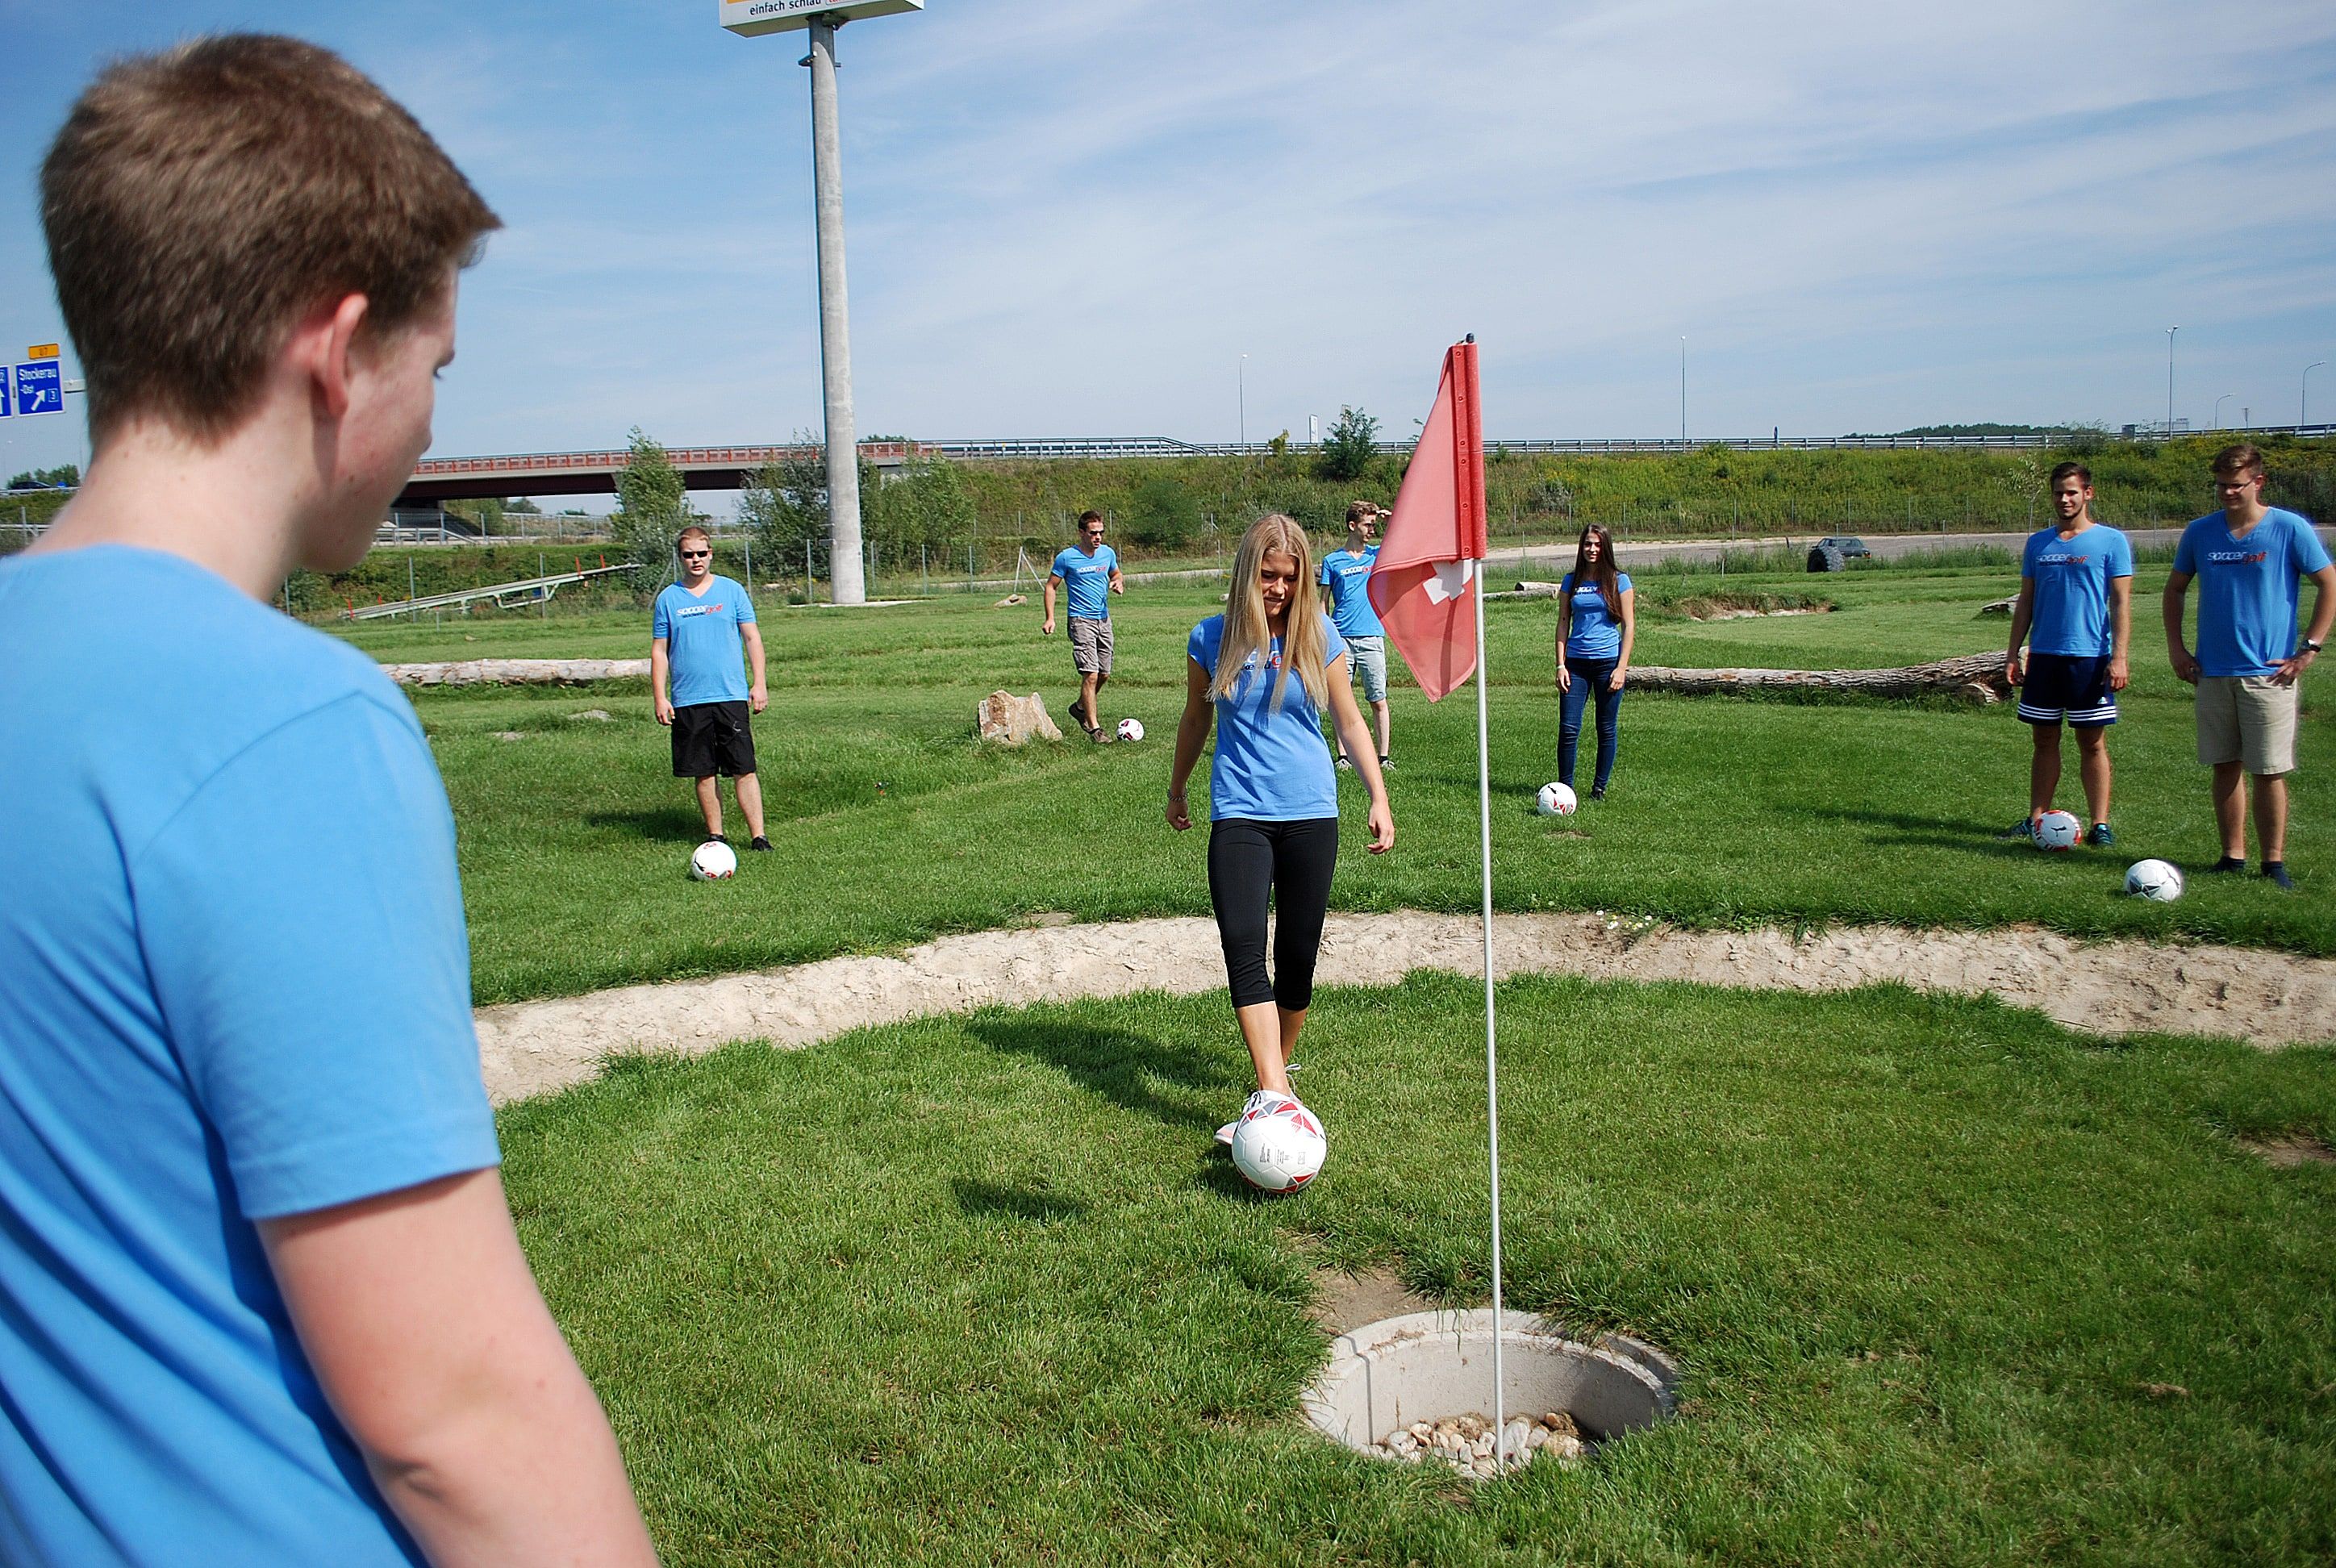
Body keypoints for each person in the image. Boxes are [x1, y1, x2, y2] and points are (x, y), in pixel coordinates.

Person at [0, 35, 656, 1566]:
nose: (431, 422)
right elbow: (455, 1416)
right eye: (434, 369)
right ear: (336, 345)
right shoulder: (290, 721)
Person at [1166, 514, 1394, 1145]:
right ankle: (1274, 1095)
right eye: (1267, 576)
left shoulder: (1319, 634)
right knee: (1243, 945)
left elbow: (1349, 722)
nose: (1278, 589)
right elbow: (1195, 720)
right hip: (1238, 810)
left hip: (1312, 812)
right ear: (1246, 574)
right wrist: (1178, 786)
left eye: (1289, 578)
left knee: (1295, 959)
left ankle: (1276, 1079)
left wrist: (1378, 795)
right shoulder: (1210, 638)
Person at [2163, 443, 2334, 890]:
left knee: (2269, 770)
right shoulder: (2200, 533)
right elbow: (2176, 589)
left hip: (2269, 674)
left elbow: (2328, 585)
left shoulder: (2288, 528)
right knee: (2224, 765)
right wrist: (2178, 649)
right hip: (2213, 671)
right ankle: (2231, 857)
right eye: (2220, 485)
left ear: (2258, 482)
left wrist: (2309, 648)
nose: (2226, 494)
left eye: (2235, 485)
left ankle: (2273, 863)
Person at [2004, 462, 2134, 845]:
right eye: (2059, 492)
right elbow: (2026, 600)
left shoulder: (2110, 542)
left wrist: (2120, 656)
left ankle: (2100, 825)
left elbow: (2122, 602)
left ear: (2088, 494)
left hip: (2089, 657)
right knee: (2043, 741)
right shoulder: (2038, 543)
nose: (2065, 499)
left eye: (2072, 492)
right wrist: (2013, 653)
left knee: (2091, 742)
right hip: (2044, 656)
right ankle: (2037, 819)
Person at [653, 522, 771, 849]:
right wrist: (660, 697)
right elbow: (659, 651)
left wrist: (758, 683)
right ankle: (715, 836)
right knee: (703, 772)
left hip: (730, 695)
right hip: (688, 699)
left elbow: (752, 637)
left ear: (711, 554)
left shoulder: (732, 591)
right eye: (688, 555)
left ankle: (758, 836)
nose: (696, 560)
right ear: (680, 557)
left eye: (701, 553)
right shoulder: (668, 599)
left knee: (743, 768)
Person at [1554, 524, 1635, 801]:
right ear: (1581, 546)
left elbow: (1630, 625)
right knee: (1568, 728)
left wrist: (1621, 667)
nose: (1592, 549)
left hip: (1608, 664)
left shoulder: (1618, 580)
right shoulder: (1571, 580)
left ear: (1606, 547)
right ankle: (1565, 789)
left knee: (1606, 727)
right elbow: (1563, 621)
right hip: (1575, 664)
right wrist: (1560, 664)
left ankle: (1599, 788)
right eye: (1588, 544)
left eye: (1598, 545)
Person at [1318, 498, 1395, 769]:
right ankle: (1343, 757)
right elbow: (1323, 602)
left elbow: (1401, 541)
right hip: (1341, 640)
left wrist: (1390, 519)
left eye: (1374, 525)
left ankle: (1383, 758)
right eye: (1368, 524)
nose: (1372, 529)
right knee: (1341, 700)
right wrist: (1325, 633)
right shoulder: (1332, 561)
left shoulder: (1376, 555)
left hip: (1372, 637)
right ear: (1353, 526)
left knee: (1378, 699)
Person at [1041, 509, 1124, 740]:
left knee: (1104, 674)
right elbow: (1051, 586)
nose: (1098, 537)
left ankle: (1079, 708)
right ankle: (1095, 728)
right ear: (1081, 533)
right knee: (1091, 674)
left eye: (1101, 532)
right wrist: (1050, 618)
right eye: (1093, 533)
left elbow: (1116, 574)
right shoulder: (1067, 557)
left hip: (1103, 619)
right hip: (1080, 620)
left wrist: (1118, 583)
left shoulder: (1107, 553)